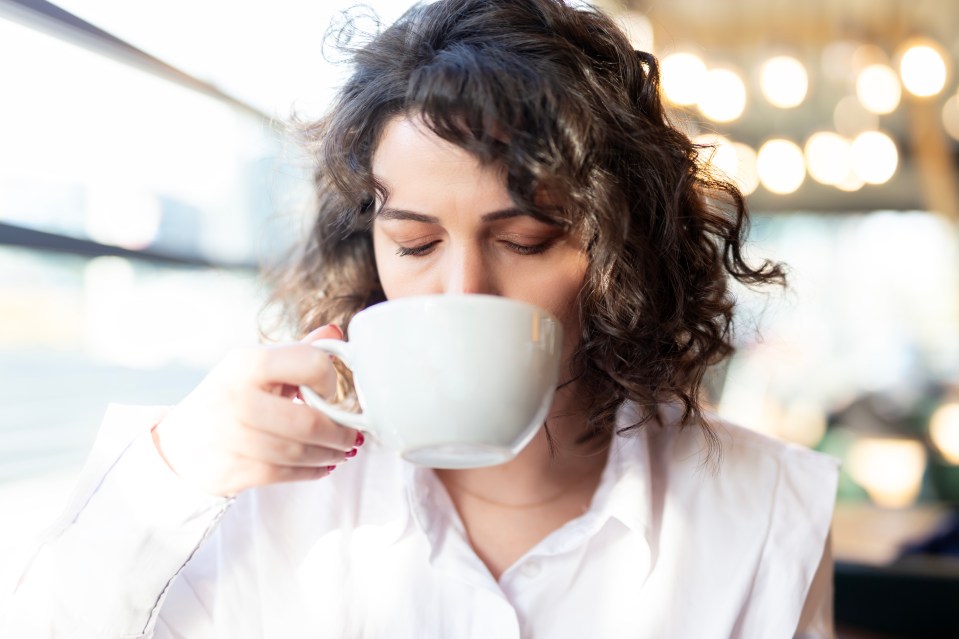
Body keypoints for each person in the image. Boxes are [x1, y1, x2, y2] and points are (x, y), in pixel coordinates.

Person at [0, 0, 839, 637]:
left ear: (626, 253)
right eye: (414, 242)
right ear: (368, 246)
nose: (460, 288)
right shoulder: (259, 494)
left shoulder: (768, 511)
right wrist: (172, 473)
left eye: (526, 237)